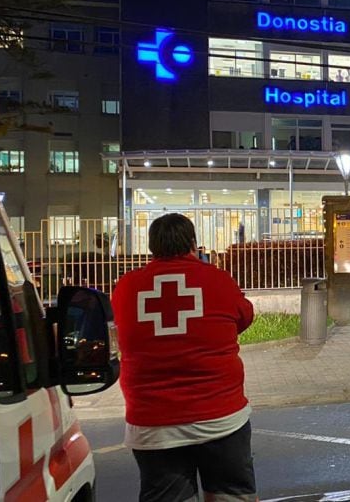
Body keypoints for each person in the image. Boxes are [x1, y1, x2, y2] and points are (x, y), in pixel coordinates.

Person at [110, 213, 258, 502]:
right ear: (193, 243)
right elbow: (244, 317)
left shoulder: (126, 287)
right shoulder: (217, 279)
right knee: (231, 496)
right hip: (220, 418)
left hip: (153, 424)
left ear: (152, 247)